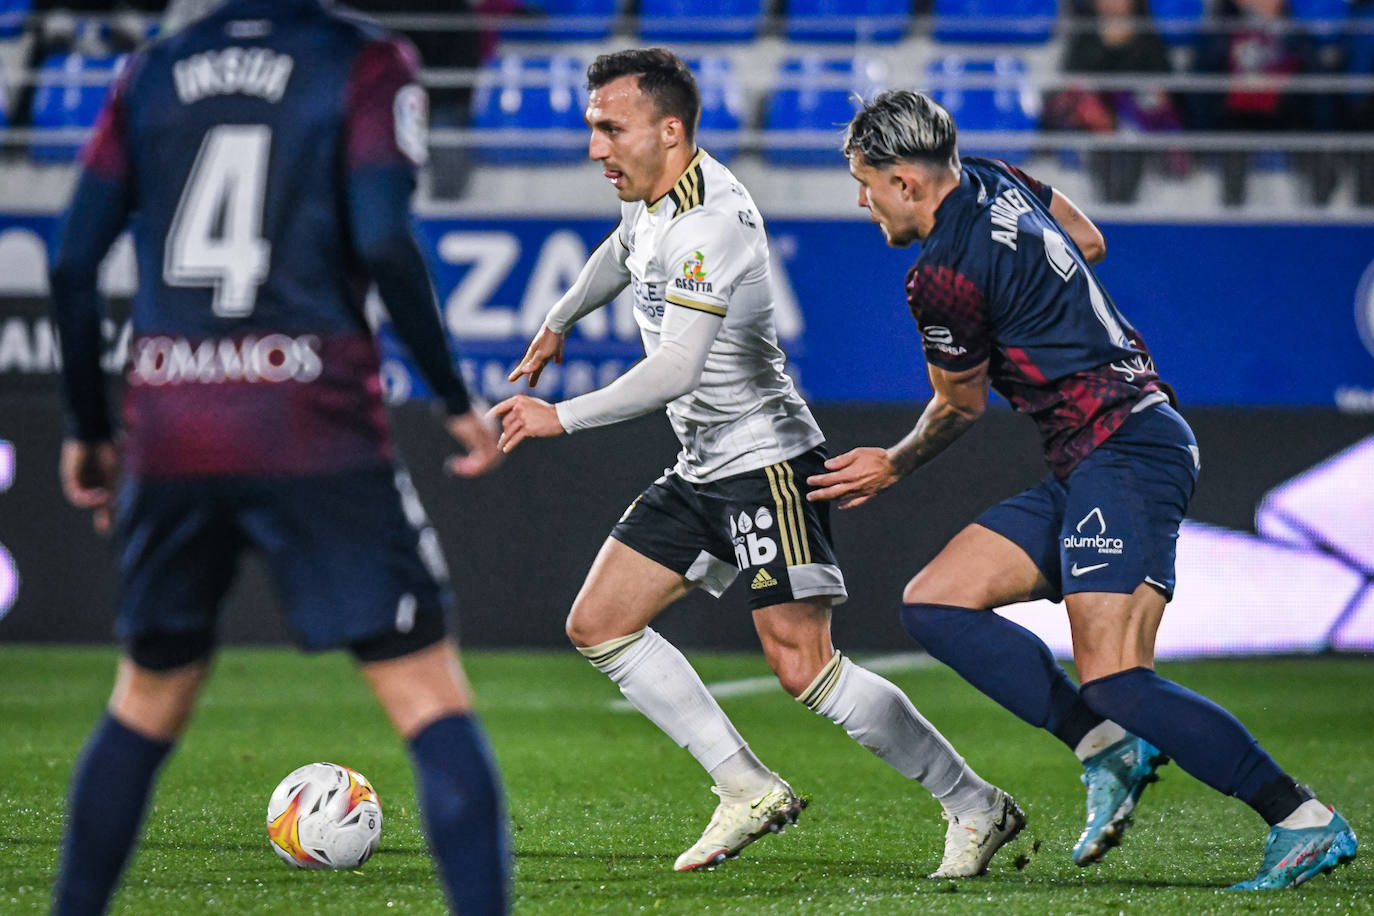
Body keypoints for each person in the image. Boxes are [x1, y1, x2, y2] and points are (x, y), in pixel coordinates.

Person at [489, 47, 1023, 878]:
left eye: (609, 128)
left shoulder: (715, 221)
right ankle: (745, 787)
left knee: (802, 665)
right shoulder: (653, 198)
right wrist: (560, 319)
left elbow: (677, 368)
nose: (595, 146)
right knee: (599, 622)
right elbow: (621, 250)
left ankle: (976, 803)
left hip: (767, 461)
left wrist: (561, 416)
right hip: (703, 462)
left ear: (670, 130)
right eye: (593, 127)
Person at [808, 88, 1358, 890]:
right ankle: (1106, 746)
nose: (862, 201)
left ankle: (1301, 819)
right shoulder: (996, 178)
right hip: (1092, 451)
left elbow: (959, 406)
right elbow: (1087, 242)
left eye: (864, 181)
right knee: (936, 601)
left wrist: (893, 463)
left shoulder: (943, 277)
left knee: (1117, 678)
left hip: (1125, 448)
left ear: (906, 182)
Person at [46, 1, 510, 912]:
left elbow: (70, 261)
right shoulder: (365, 61)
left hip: (173, 423)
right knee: (427, 698)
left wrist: (90, 429)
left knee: (143, 702)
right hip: (311, 419)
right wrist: (455, 399)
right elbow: (382, 238)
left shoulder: (150, 72)